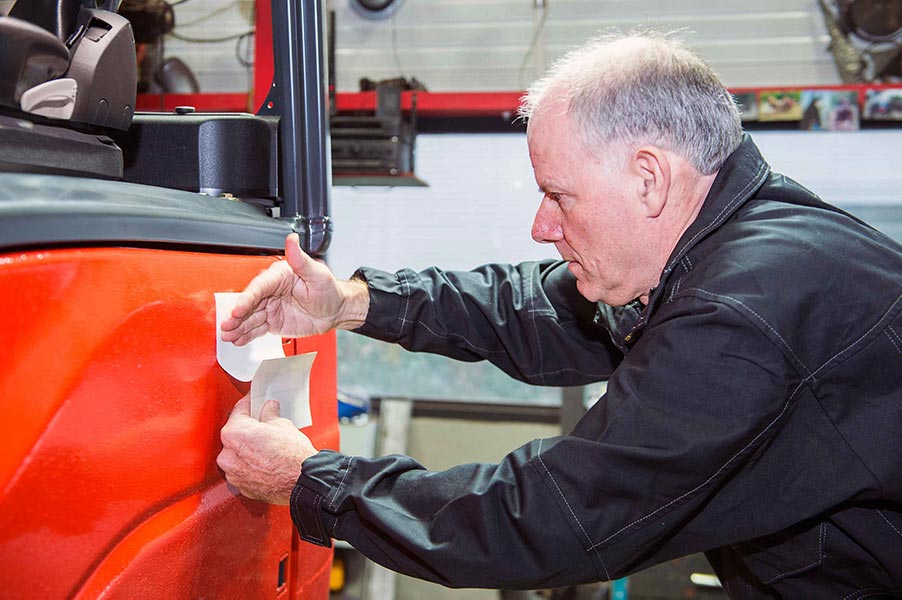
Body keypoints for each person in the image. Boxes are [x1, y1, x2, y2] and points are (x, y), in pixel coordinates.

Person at [217, 31, 902, 597]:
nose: (542, 226)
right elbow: (536, 306)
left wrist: (311, 481)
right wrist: (352, 302)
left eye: (559, 196)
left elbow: (549, 519)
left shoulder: (743, 312)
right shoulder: (733, 241)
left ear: (649, 178)